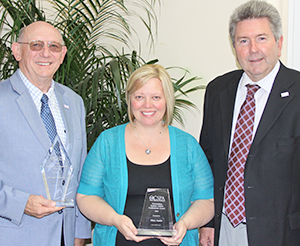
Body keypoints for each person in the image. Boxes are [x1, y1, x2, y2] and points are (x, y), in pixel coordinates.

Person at [76, 64, 214, 246]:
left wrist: (185, 223)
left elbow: (207, 200)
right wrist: (115, 219)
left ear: (167, 100)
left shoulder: (187, 145)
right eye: (139, 97)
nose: (147, 105)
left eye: (156, 97)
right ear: (129, 99)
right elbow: (86, 196)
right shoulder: (107, 142)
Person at [199, 1, 300, 246]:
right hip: (223, 229)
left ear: (279, 42)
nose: (253, 49)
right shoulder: (218, 90)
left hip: (282, 233)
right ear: (234, 47)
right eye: (243, 40)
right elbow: (208, 160)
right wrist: (208, 222)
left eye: (262, 38)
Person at [0, 21, 91, 246]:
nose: (45, 53)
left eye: (53, 46)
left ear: (62, 55)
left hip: (66, 237)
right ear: (16, 50)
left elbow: (80, 171)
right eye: (36, 45)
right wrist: (19, 203)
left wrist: (79, 233)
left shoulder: (74, 102)